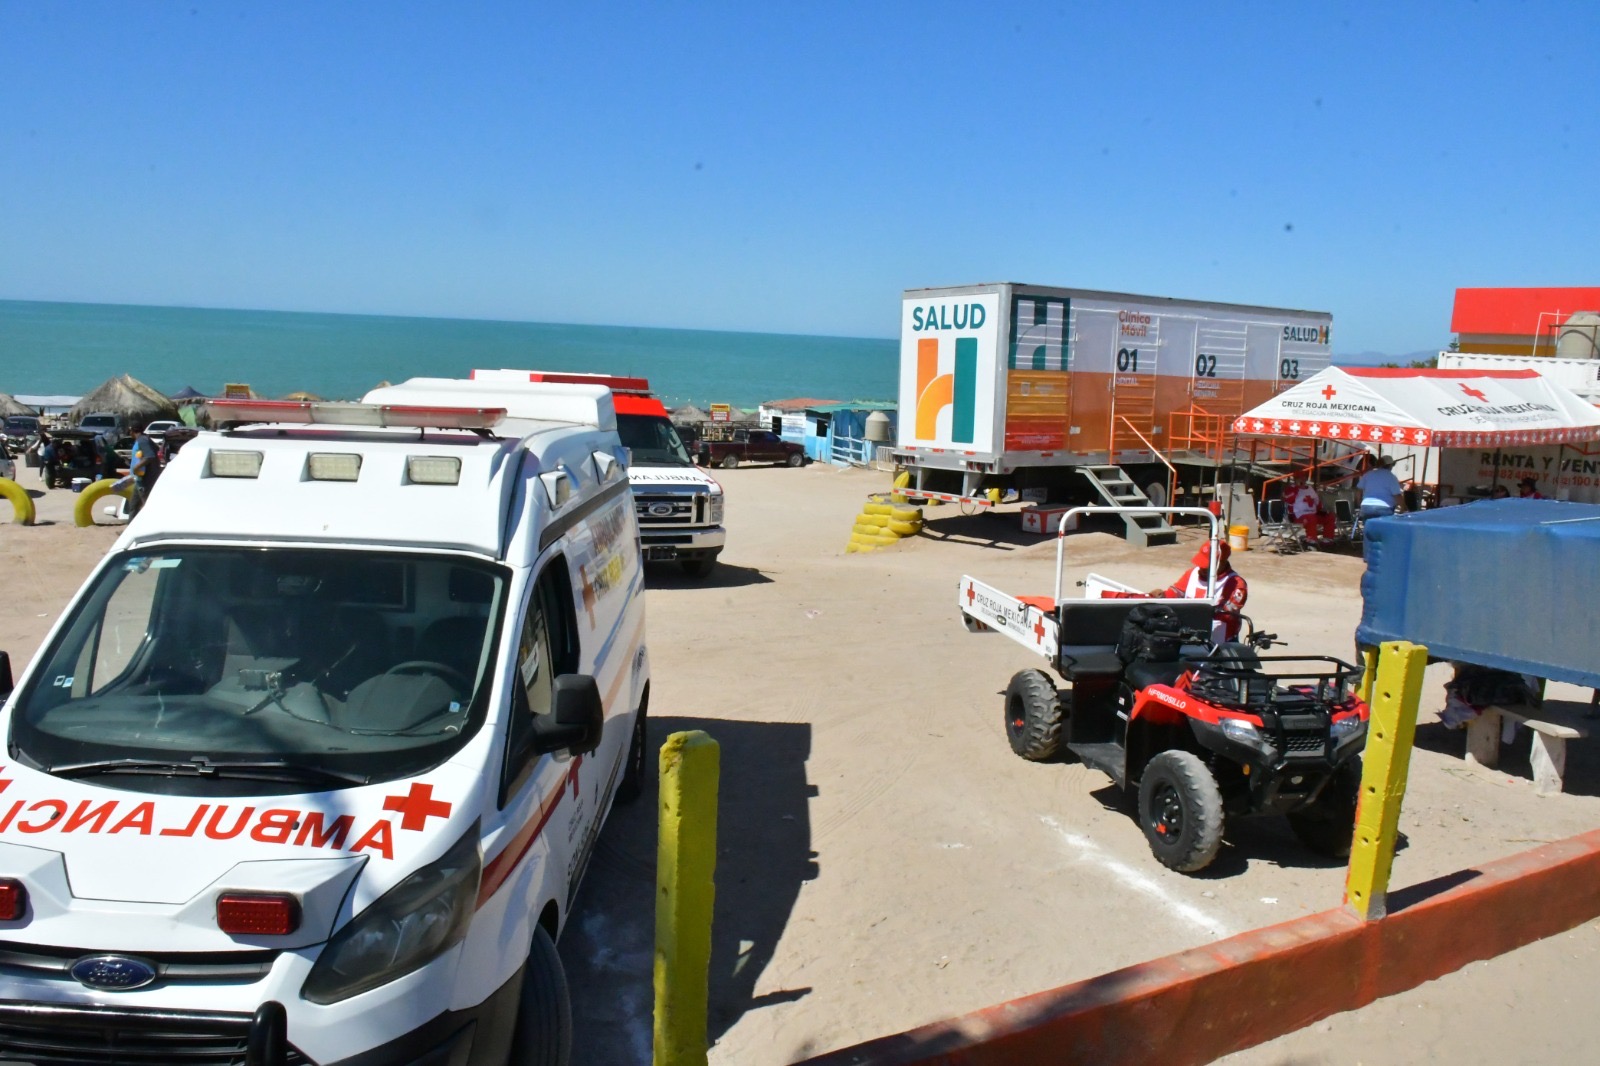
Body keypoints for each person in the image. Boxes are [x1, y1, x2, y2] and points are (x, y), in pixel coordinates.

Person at [1100, 541, 1250, 641]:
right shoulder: (1192, 573)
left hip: (1221, 639)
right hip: (1190, 632)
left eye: (1206, 566)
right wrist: (1161, 596)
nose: (1201, 568)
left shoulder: (1237, 585)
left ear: (1221, 563)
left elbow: (1225, 616)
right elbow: (1176, 592)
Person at [1285, 476, 1335, 546]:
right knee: (1311, 518)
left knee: (1329, 516)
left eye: (1303, 478)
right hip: (1298, 516)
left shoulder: (1310, 489)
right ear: (1295, 479)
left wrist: (1321, 510)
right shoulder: (1290, 489)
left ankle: (1328, 539)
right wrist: (1297, 488)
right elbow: (1289, 500)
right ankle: (1311, 540)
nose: (1302, 480)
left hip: (1313, 514)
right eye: (1300, 479)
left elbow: (1318, 503)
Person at [1357, 454, 1404, 521]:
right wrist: (1403, 507)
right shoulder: (1391, 477)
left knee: (1369, 527)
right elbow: (1397, 495)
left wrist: (1360, 502)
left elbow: (1359, 490)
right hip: (1384, 508)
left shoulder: (1368, 474)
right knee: (1384, 527)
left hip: (1366, 507)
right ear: (1390, 465)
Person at [129, 426, 160, 516]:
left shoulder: (142, 440)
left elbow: (150, 456)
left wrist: (136, 467)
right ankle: (131, 524)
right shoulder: (144, 439)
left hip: (145, 480)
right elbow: (156, 449)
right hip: (139, 479)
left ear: (132, 431)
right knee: (133, 506)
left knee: (147, 505)